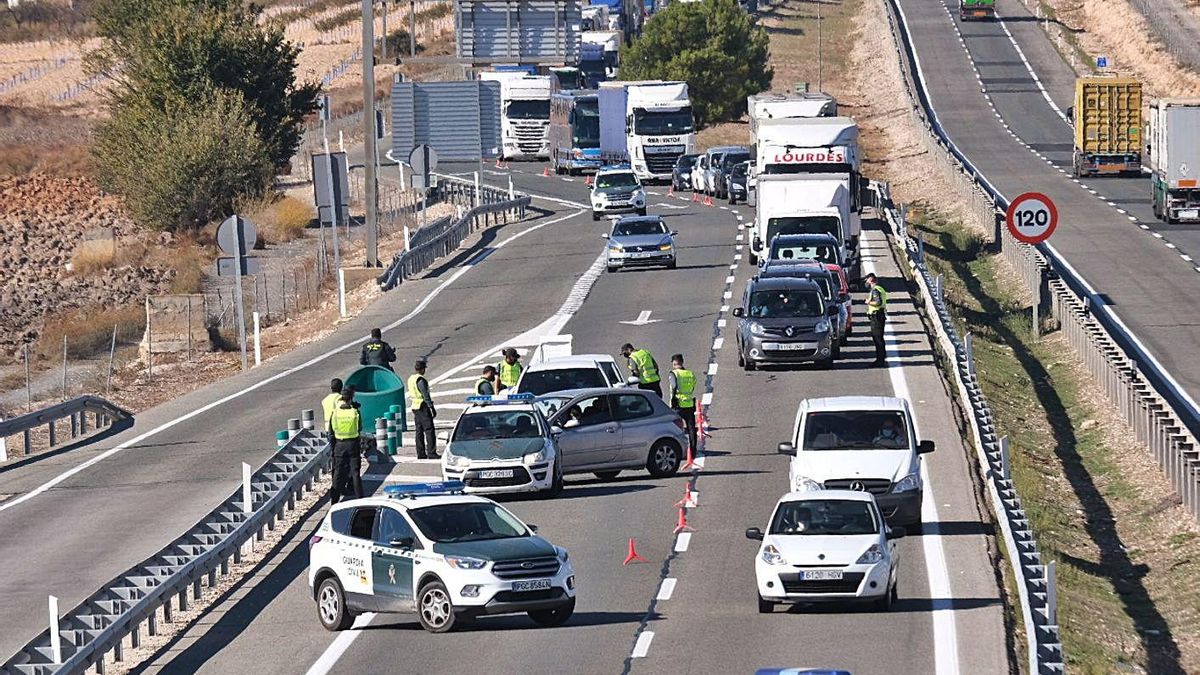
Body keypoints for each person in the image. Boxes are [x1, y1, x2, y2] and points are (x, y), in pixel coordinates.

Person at [327, 388, 364, 504]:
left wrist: (333, 447)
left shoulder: (335, 412)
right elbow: (360, 427)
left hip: (340, 444)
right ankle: (360, 500)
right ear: (351, 399)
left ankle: (334, 501)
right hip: (353, 444)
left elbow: (331, 431)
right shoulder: (355, 412)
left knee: (338, 473)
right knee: (355, 473)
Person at [408, 359, 439, 460]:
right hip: (422, 406)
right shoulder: (420, 380)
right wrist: (431, 407)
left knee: (419, 431)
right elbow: (425, 394)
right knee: (429, 430)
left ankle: (420, 453)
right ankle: (431, 452)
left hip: (415, 406)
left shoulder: (411, 378)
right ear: (422, 369)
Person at [667, 354, 697, 453]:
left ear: (674, 363)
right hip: (689, 404)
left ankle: (678, 449)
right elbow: (692, 386)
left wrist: (673, 400)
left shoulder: (673, 374)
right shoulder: (690, 373)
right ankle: (693, 449)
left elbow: (674, 386)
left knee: (674, 429)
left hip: (678, 405)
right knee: (691, 428)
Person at [865, 273, 889, 366]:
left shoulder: (875, 290)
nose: (866, 282)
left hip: (877, 317)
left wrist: (869, 302)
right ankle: (880, 359)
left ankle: (880, 360)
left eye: (867, 280)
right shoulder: (880, 289)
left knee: (877, 338)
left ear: (871, 280)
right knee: (879, 338)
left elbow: (878, 302)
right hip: (880, 315)